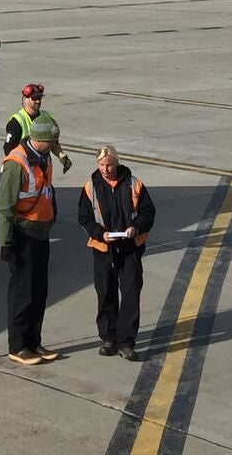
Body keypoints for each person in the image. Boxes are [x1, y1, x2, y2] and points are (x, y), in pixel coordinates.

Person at [78, 144, 155, 361]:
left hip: (130, 248)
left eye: (109, 165)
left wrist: (136, 228)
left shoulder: (134, 184)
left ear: (117, 163)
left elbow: (148, 213)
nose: (105, 169)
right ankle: (108, 338)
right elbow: (84, 218)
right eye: (101, 165)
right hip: (103, 248)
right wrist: (100, 234)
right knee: (105, 292)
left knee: (130, 293)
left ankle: (126, 341)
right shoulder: (90, 187)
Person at [0, 113, 62, 366]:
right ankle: (18, 346)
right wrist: (6, 243)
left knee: (39, 291)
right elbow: (4, 206)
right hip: (23, 235)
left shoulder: (43, 157)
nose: (56, 145)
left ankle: (34, 342)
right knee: (22, 293)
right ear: (41, 139)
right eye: (53, 141)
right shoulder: (17, 162)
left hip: (41, 233)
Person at [3, 83, 71, 173]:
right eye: (34, 98)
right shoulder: (17, 121)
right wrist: (16, 167)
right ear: (25, 100)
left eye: (39, 98)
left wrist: (61, 156)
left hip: (43, 166)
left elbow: (53, 143)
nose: (38, 101)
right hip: (26, 168)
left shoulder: (46, 117)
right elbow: (8, 149)